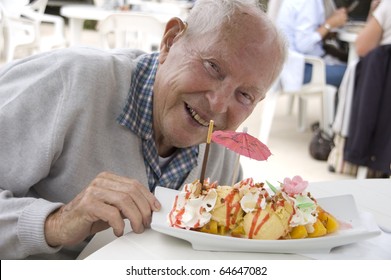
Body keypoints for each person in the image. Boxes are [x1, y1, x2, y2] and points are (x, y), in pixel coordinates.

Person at [0, 0, 286, 259]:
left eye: (245, 95)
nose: (218, 105)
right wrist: (57, 222)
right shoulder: (69, 82)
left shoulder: (224, 155)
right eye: (213, 67)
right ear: (170, 40)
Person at [276, 0, 348, 88]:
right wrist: (329, 24)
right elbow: (304, 44)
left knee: (351, 67)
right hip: (301, 69)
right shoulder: (309, 2)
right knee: (356, 74)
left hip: (289, 66)